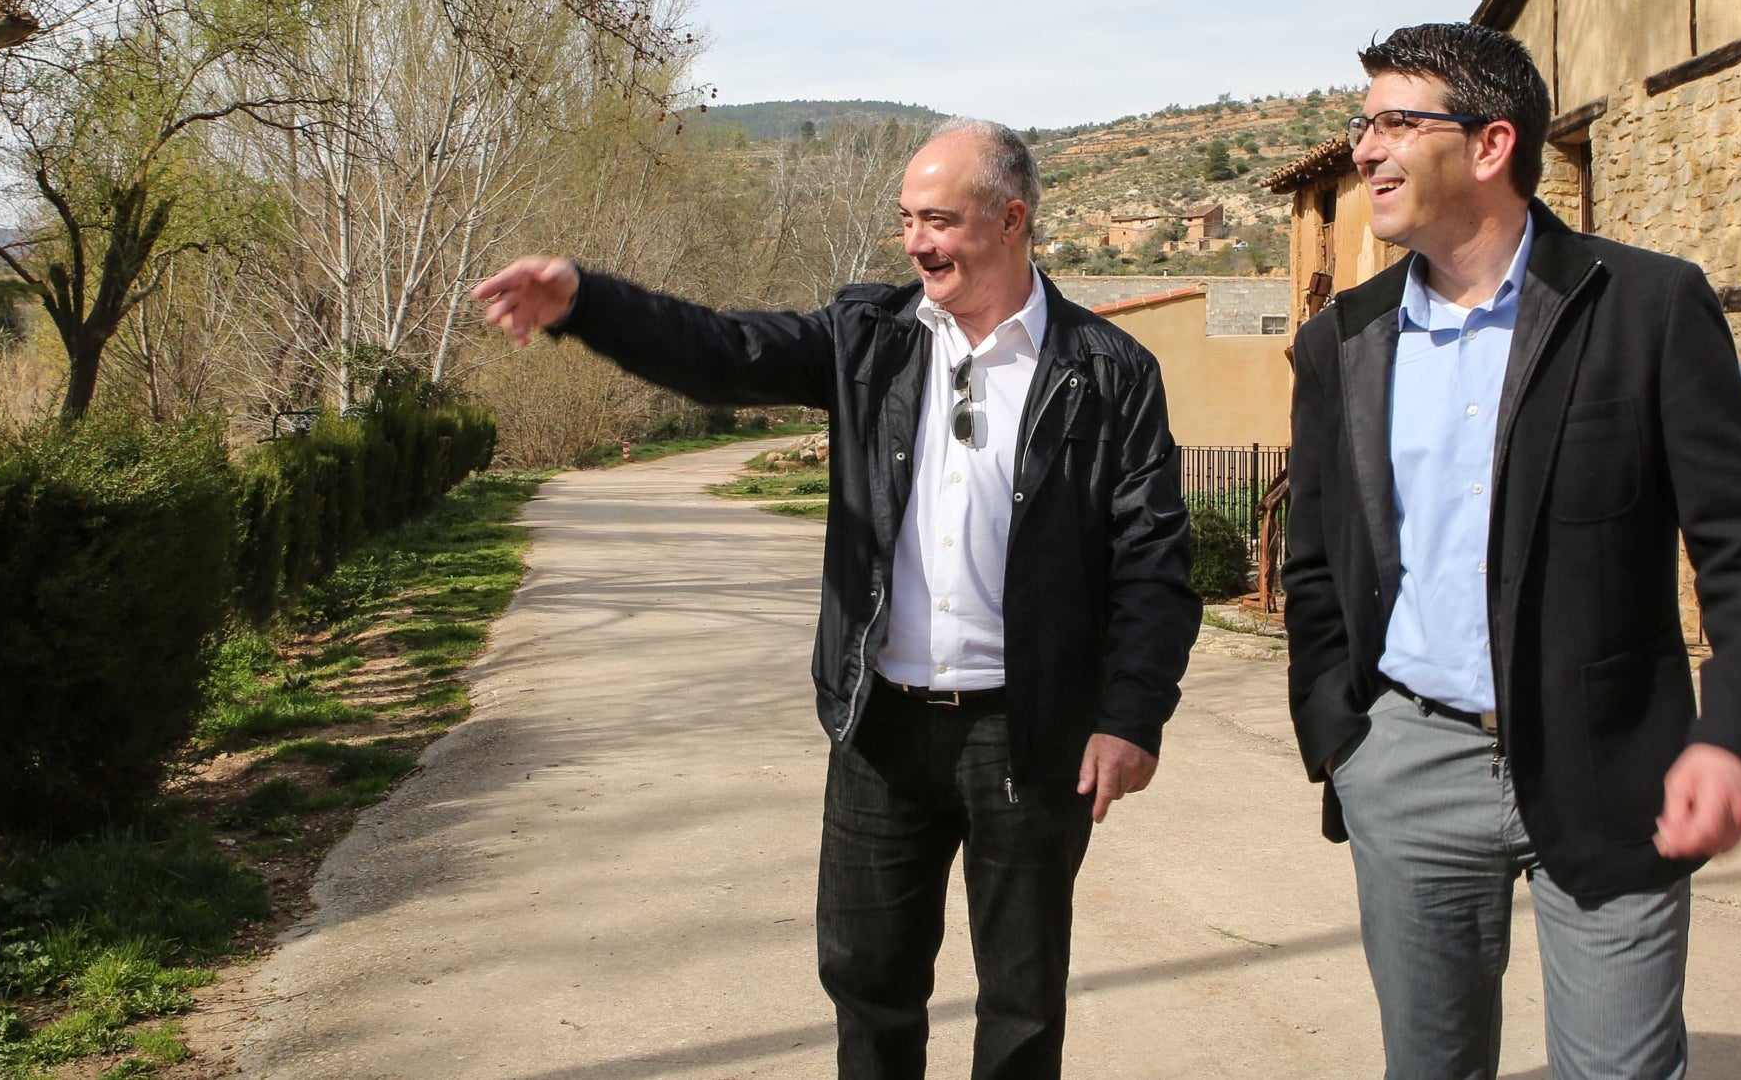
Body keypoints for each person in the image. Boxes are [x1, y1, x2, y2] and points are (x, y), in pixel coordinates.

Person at [472, 119, 1199, 1080]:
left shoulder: (1107, 370)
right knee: (868, 984)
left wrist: (1131, 714)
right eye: (905, 219)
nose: (914, 243)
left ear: (1011, 219)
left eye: (937, 221)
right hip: (882, 727)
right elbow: (725, 349)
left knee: (1023, 999)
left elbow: (1152, 555)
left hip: (1028, 735)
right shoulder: (870, 339)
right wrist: (588, 304)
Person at [1280, 23, 1741, 1080]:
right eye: (1362, 124)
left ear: (1488, 145)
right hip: (1407, 762)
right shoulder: (1340, 340)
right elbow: (1316, 561)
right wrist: (1342, 735)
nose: (1363, 149)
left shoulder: (1648, 306)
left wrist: (1734, 737)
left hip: (1615, 760)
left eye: (1395, 122)